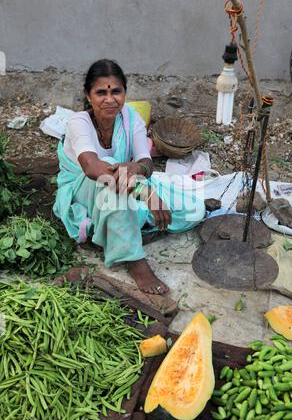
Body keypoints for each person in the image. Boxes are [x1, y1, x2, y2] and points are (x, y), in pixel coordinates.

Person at [53, 59, 206, 295]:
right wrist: (145, 193)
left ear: (124, 93)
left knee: (193, 210)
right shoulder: (78, 122)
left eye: (116, 91)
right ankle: (135, 261)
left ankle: (121, 232)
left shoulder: (130, 116)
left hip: (124, 187)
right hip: (83, 190)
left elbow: (146, 161)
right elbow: (92, 167)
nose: (110, 99)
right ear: (88, 95)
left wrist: (137, 169)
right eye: (101, 92)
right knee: (112, 168)